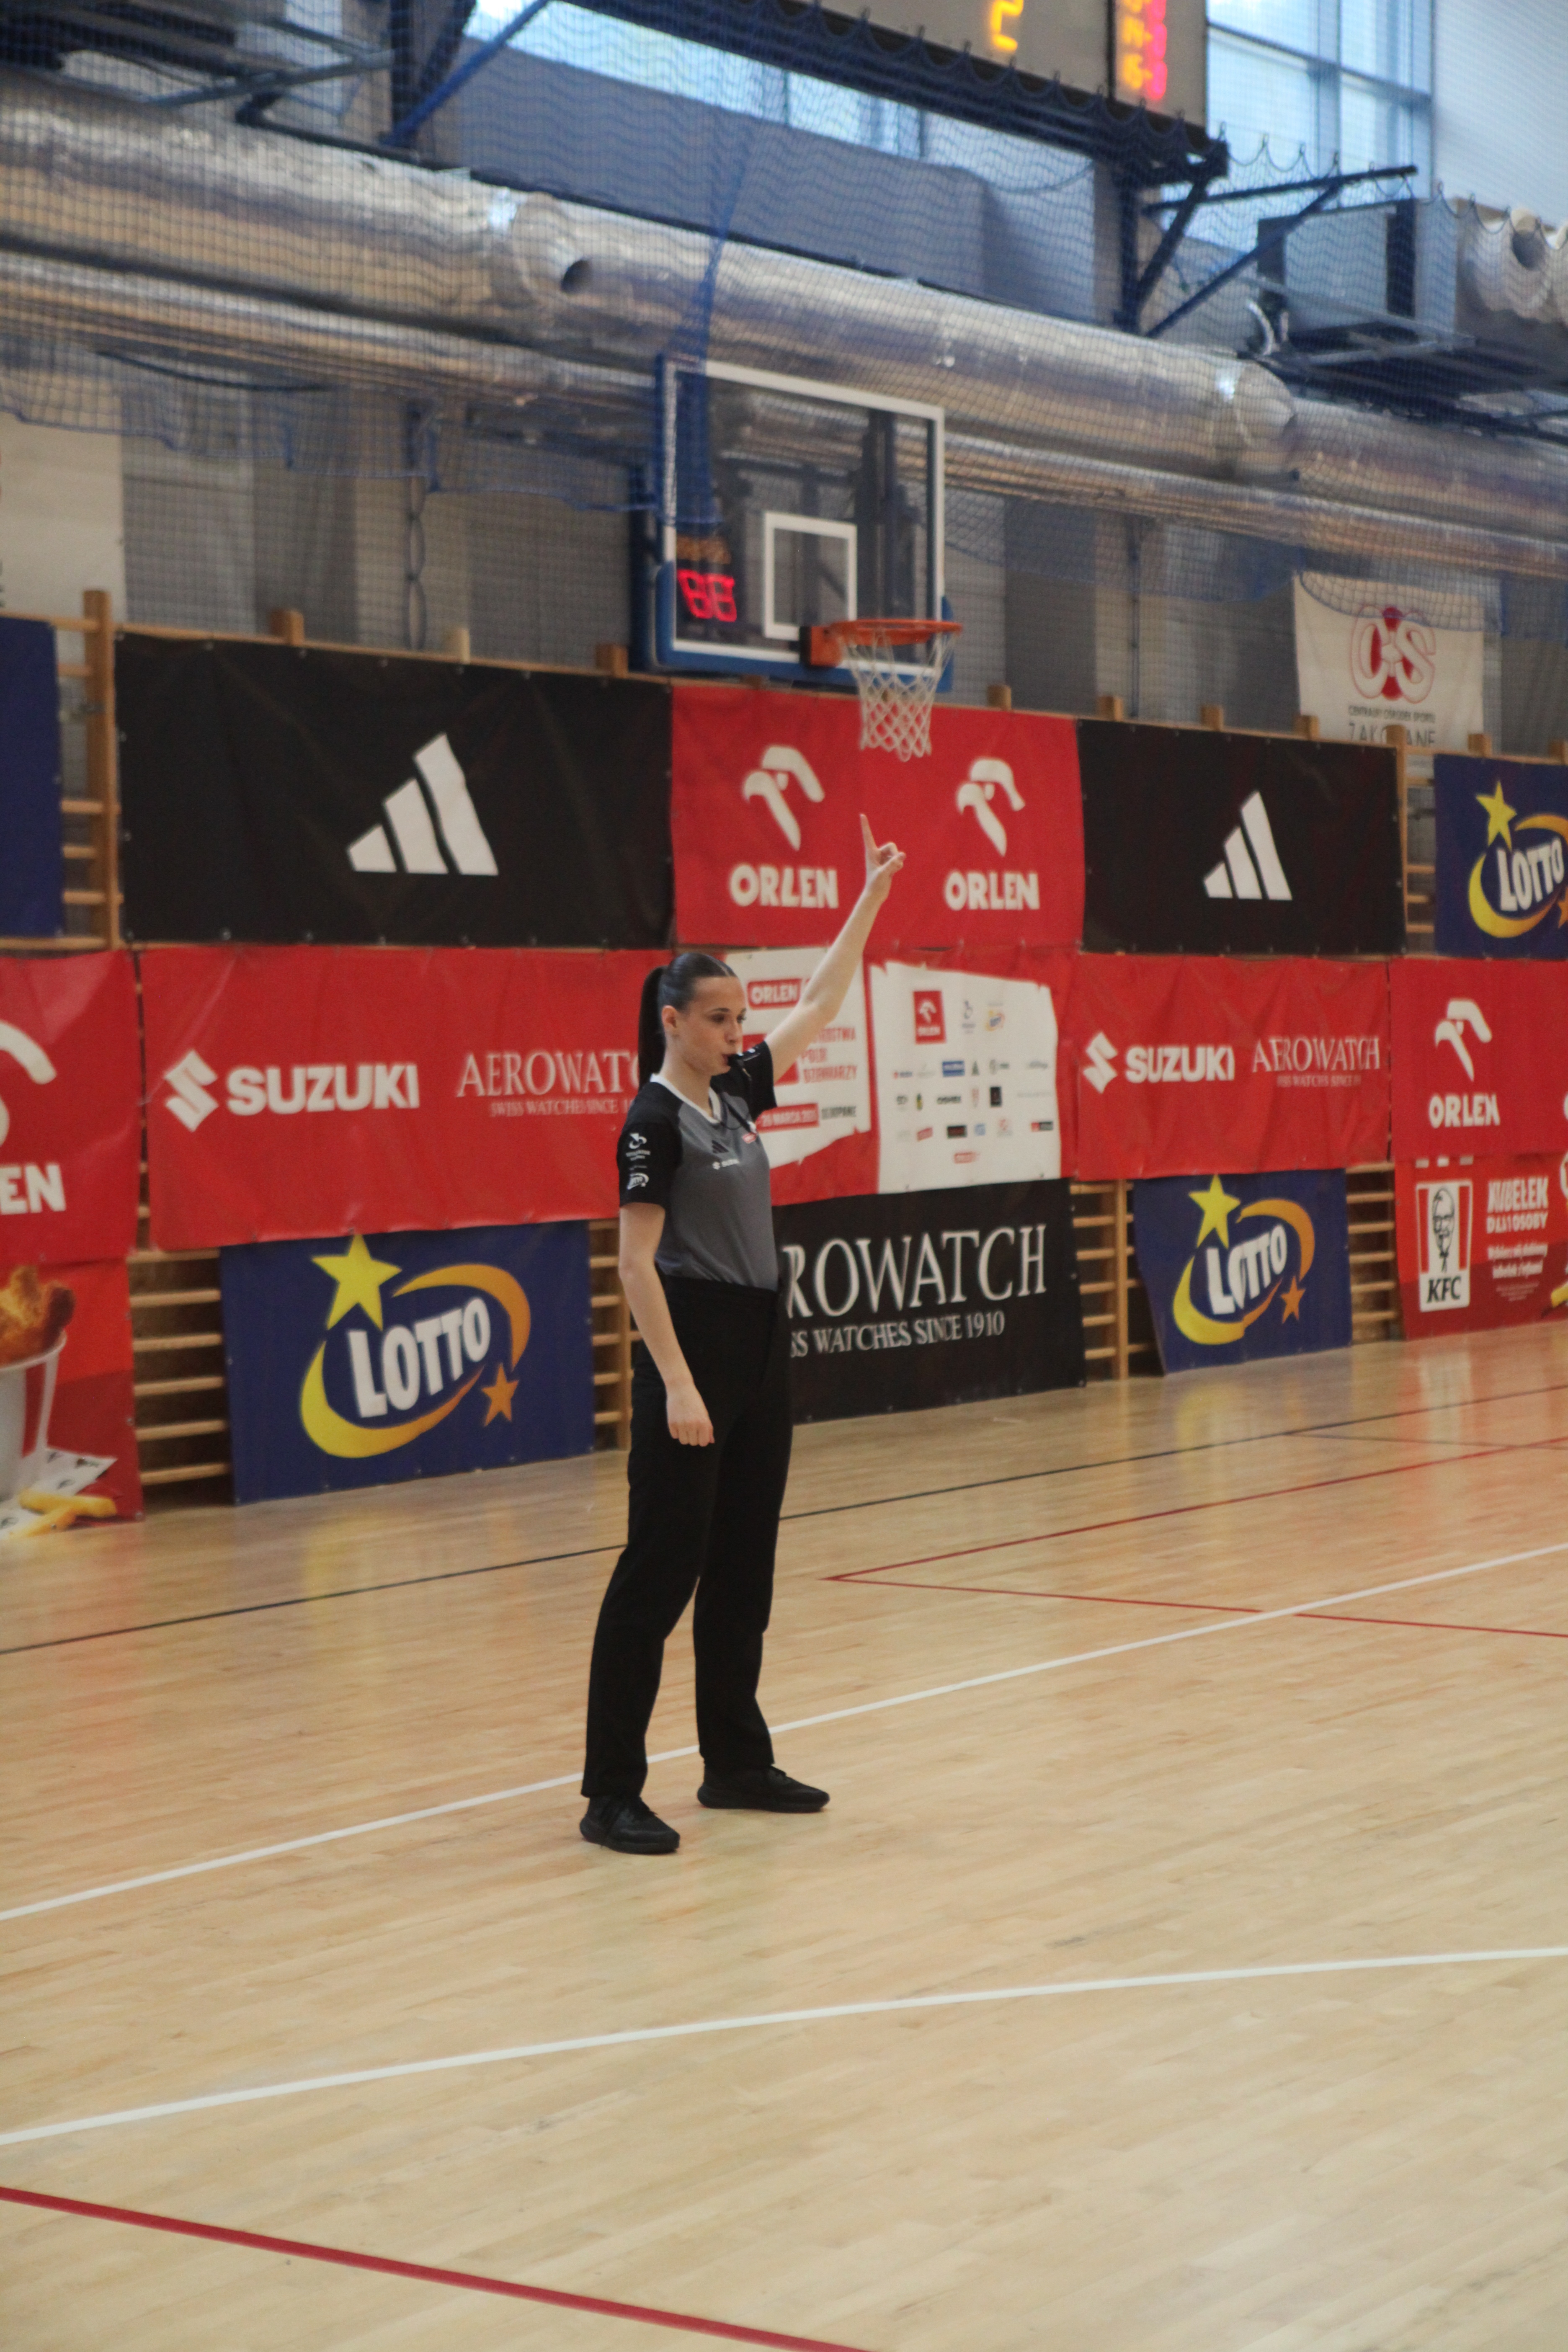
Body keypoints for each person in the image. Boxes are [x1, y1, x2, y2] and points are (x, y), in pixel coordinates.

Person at [580, 814, 905, 1854]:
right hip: (694, 1349)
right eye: (718, 1019)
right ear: (672, 1021)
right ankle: (611, 1792)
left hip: (761, 1343)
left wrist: (870, 898)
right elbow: (636, 1263)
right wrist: (678, 1384)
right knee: (658, 1573)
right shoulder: (653, 1123)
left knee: (744, 1565)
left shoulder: (735, 1093)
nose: (736, 1032)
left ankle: (735, 1762)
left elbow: (820, 1003)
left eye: (739, 1018)